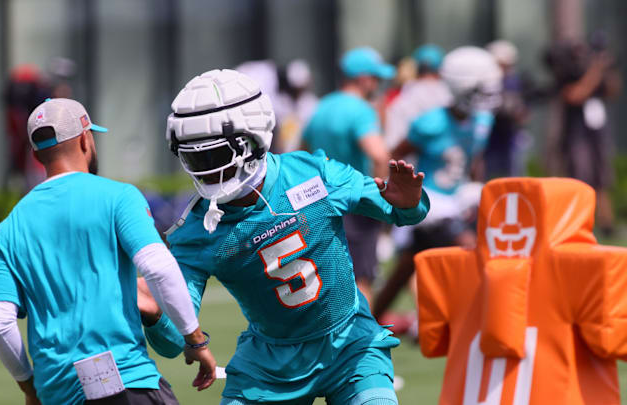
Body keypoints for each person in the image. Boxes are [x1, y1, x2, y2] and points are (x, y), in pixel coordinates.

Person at [143, 69, 429, 404]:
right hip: (269, 369)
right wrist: (154, 313)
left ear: (253, 137)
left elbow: (402, 212)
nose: (207, 169)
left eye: (215, 155)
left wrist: (410, 202)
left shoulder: (312, 173)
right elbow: (176, 339)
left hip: (351, 345)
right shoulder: (195, 230)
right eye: (195, 157)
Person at [0, 98, 217, 405]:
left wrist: (29, 387)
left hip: (58, 394)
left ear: (36, 154)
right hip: (127, 381)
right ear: (85, 138)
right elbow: (158, 268)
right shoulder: (118, 197)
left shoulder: (6, 231)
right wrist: (195, 341)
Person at [373, 46, 502, 327]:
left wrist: (474, 186)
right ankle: (480, 319)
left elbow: (473, 157)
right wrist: (396, 196)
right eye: (483, 89)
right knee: (471, 251)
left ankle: (371, 319)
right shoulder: (431, 123)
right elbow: (394, 156)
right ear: (463, 87)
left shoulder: (482, 120)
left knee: (405, 269)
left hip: (457, 198)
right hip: (431, 203)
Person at [302, 47, 394, 307]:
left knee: (328, 280)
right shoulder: (361, 110)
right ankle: (363, 344)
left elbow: (299, 153)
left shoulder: (322, 106)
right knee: (361, 279)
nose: (378, 84)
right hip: (355, 204)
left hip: (320, 204)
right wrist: (381, 202)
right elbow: (379, 155)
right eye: (375, 78)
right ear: (363, 78)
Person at [544, 34, 621, 236]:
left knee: (601, 178)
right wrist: (595, 69)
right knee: (579, 177)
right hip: (576, 134)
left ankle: (607, 224)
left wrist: (608, 68)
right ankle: (577, 224)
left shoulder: (593, 73)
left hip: (595, 132)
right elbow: (577, 95)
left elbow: (613, 91)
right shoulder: (565, 75)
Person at [384, 44, 452, 150]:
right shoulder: (450, 97)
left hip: (409, 164)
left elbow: (392, 143)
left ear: (416, 68)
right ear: (440, 69)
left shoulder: (403, 99)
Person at [484, 40, 532, 179]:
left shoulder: (515, 82)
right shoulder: (486, 83)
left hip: (511, 139)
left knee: (514, 179)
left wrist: (516, 112)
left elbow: (524, 114)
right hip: (489, 141)